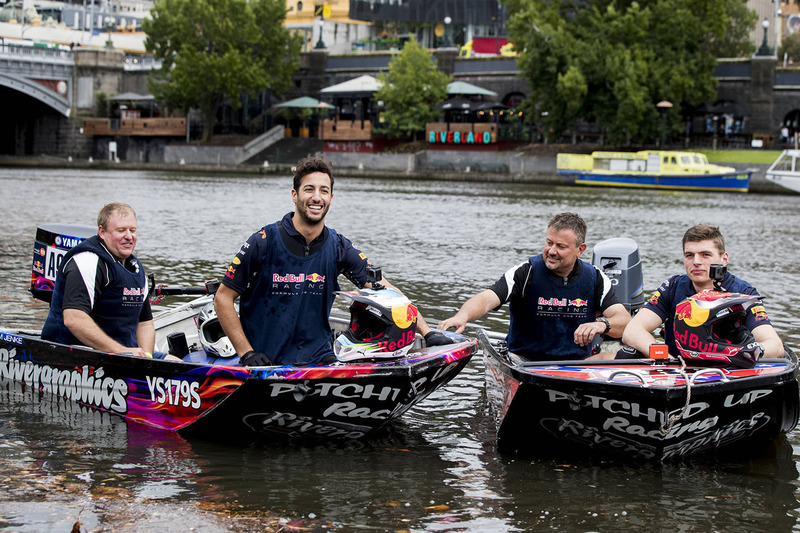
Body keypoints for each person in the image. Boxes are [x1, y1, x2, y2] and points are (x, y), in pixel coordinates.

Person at [214, 154, 450, 367]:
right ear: (294, 195)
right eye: (309, 189)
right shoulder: (263, 241)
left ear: (331, 197)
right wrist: (246, 354)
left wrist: (427, 332)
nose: (317, 197)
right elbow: (223, 298)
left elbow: (387, 292)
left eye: (323, 191)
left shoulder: (339, 246)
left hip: (319, 361)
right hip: (264, 362)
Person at [437, 212, 631, 361]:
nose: (552, 251)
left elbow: (624, 321)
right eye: (549, 243)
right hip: (525, 361)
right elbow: (486, 298)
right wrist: (462, 316)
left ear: (580, 249)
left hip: (577, 365)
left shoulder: (596, 278)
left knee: (612, 358)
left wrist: (601, 324)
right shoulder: (526, 271)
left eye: (561, 246)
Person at [621, 224, 783, 360]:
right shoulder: (673, 286)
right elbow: (633, 331)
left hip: (727, 372)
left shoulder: (744, 293)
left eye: (705, 255)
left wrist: (744, 353)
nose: (696, 262)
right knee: (625, 354)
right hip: (674, 370)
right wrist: (663, 356)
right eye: (689, 255)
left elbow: (774, 345)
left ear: (724, 259)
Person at [41, 202, 167, 359]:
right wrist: (121, 351)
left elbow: (145, 323)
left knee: (179, 363)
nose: (129, 236)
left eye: (132, 230)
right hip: (74, 354)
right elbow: (73, 318)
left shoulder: (135, 268)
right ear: (102, 232)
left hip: (125, 355)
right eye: (121, 230)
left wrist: (147, 357)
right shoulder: (88, 261)